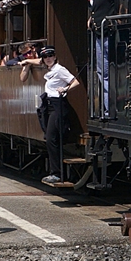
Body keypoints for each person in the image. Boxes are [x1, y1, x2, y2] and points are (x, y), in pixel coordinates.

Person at [20, 46, 79, 186]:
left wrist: (65, 89)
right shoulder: (50, 68)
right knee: (50, 137)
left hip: (58, 105)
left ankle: (56, 173)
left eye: (51, 55)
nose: (48, 58)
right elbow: (38, 62)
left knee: (51, 138)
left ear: (55, 56)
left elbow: (75, 81)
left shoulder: (59, 69)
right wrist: (27, 62)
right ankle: (57, 172)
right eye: (45, 56)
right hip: (49, 105)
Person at [73, 0, 119, 115]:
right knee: (102, 73)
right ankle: (107, 108)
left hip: (111, 35)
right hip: (100, 35)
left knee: (108, 72)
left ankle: (112, 108)